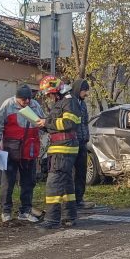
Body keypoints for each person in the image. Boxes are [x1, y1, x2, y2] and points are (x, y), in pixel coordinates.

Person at [0, 84, 46, 223]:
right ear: (17, 98)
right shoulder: (7, 105)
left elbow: (43, 123)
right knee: (7, 182)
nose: (27, 102)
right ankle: (6, 211)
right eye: (23, 99)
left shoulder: (35, 105)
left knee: (28, 182)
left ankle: (25, 210)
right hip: (11, 150)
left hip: (30, 150)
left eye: (29, 98)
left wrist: (38, 136)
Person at [37, 75, 81, 229]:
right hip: (61, 145)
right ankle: (69, 216)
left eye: (49, 94)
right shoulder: (62, 101)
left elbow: (70, 122)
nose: (48, 97)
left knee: (54, 182)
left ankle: (52, 219)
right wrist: (44, 125)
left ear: (55, 90)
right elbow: (57, 124)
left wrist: (47, 122)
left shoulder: (69, 101)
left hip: (64, 147)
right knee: (67, 183)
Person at [71, 79, 95, 210]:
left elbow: (85, 123)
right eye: (84, 90)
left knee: (81, 172)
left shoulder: (83, 104)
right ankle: (69, 199)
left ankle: (79, 198)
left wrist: (86, 137)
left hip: (82, 142)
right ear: (78, 89)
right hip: (72, 142)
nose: (86, 93)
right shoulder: (70, 103)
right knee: (70, 172)